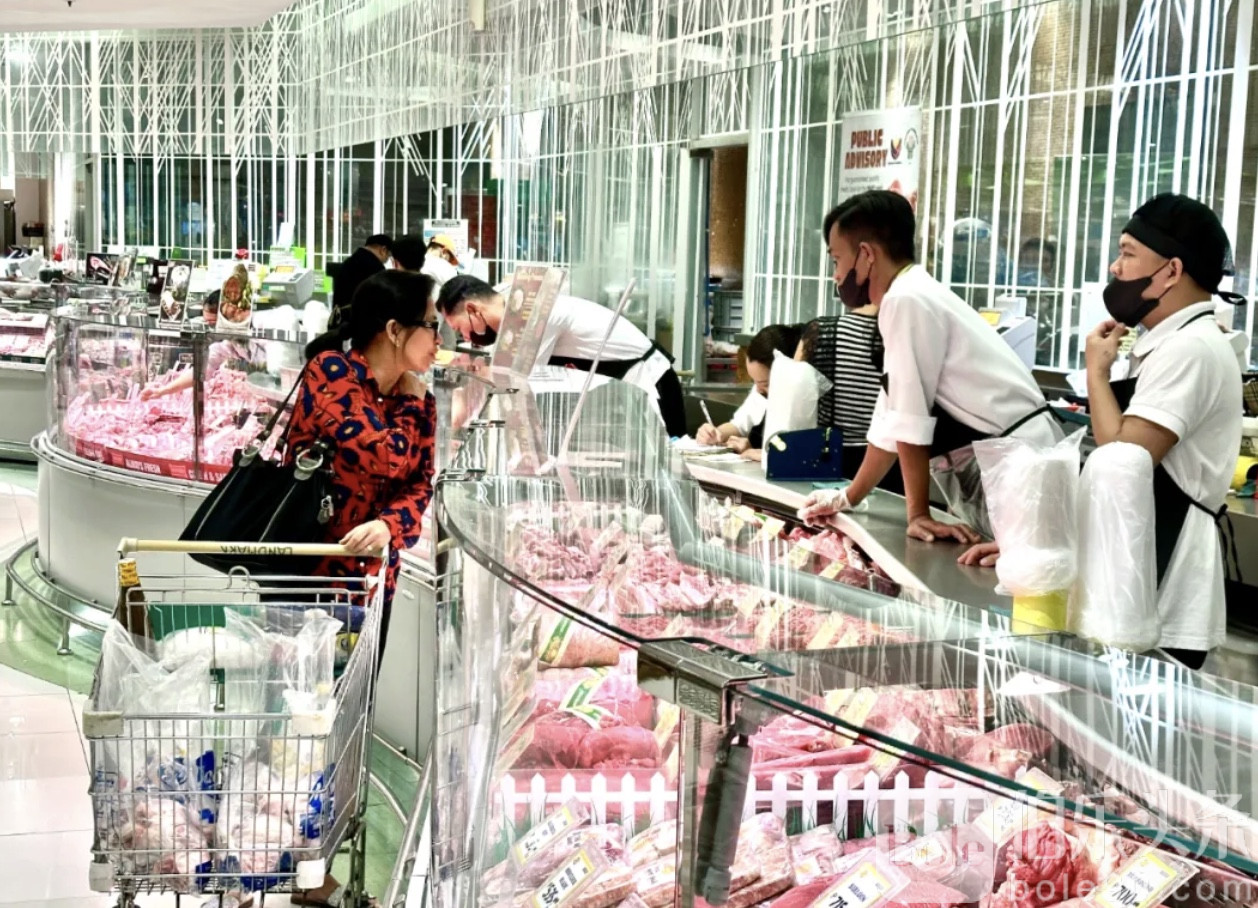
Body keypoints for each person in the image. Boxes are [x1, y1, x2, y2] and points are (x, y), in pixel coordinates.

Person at [798, 190, 1060, 565]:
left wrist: (917, 514)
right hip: (1016, 466)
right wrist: (847, 496)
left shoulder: (906, 299)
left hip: (1022, 470)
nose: (837, 275)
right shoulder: (911, 293)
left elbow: (909, 421)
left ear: (866, 254)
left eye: (837, 259)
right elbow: (890, 420)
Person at [1084, 193, 1243, 669]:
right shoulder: (1171, 342)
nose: (1115, 268)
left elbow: (1123, 460)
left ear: (1172, 271)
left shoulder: (1190, 349)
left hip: (1166, 582)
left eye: (1128, 253)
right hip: (1138, 565)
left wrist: (1096, 374)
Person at [437, 274, 688, 438]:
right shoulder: (508, 306)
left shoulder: (533, 315)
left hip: (652, 380)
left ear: (473, 309)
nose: (465, 337)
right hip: (623, 385)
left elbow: (513, 379)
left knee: (672, 462)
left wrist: (460, 411)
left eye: (460, 328)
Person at [798, 300, 904, 494]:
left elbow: (794, 407)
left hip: (828, 461)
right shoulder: (901, 336)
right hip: (890, 466)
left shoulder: (820, 331)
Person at [696, 324, 804, 460]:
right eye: (755, 382)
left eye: (765, 384)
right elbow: (739, 425)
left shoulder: (806, 403)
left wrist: (761, 454)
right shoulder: (761, 391)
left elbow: (798, 456)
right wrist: (715, 434)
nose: (758, 390)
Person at [140, 290, 269, 400]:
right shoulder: (232, 343)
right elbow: (201, 370)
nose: (211, 330)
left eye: (213, 324)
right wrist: (164, 391)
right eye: (208, 324)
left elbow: (276, 366)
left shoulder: (267, 324)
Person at [330, 233, 392, 328]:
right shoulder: (375, 267)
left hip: (341, 318)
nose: (387, 259)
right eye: (388, 255)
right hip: (361, 321)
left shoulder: (350, 261)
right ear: (383, 250)